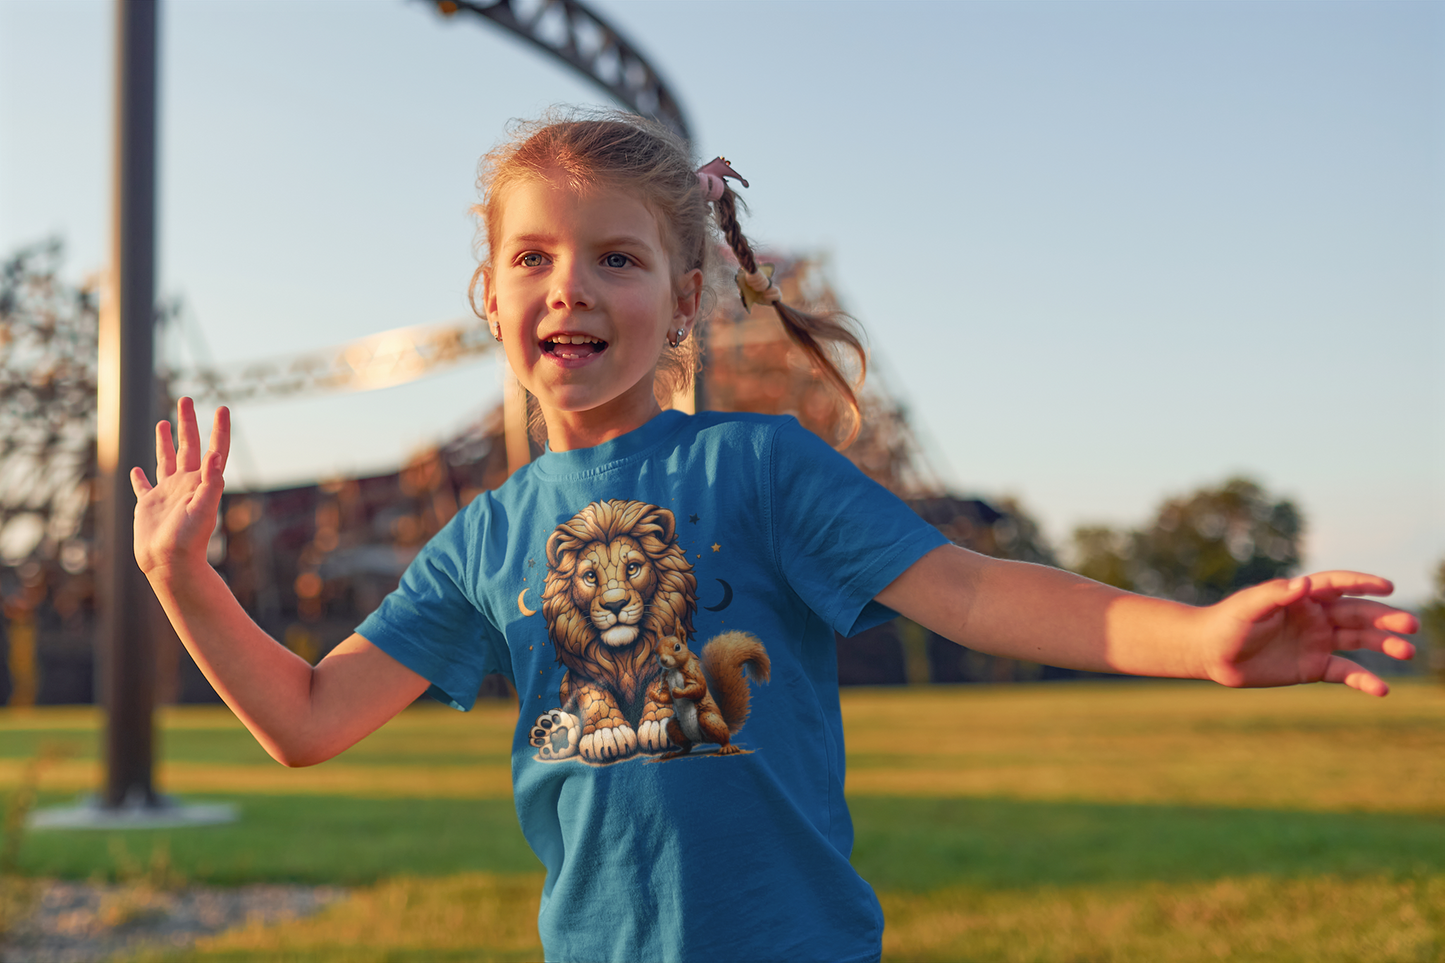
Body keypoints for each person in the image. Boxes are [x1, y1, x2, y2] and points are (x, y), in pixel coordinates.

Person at [130, 110, 1418, 963]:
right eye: (534, 257)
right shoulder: (481, 540)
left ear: (683, 300)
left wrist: (1197, 639)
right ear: (493, 294)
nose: (571, 284)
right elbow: (303, 721)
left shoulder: (758, 466)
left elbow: (974, 593)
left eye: (617, 260)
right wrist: (180, 577)